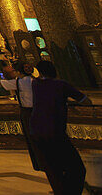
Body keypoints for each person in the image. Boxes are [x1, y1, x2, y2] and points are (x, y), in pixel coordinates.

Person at [29, 60, 90, 195]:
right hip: (54, 131)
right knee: (77, 168)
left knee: (53, 169)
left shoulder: (35, 84)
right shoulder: (61, 85)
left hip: (36, 131)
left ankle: (62, 191)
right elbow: (86, 101)